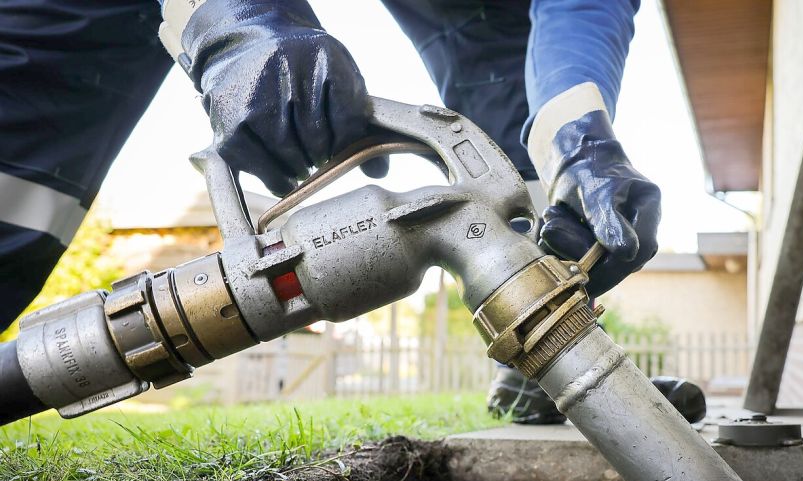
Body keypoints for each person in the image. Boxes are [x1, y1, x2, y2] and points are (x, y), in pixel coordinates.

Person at [0, 0, 703, 423]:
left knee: (521, 169)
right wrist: (242, 28)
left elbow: (579, 14)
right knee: (51, 74)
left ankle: (541, 372)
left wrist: (576, 139)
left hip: (470, 18)